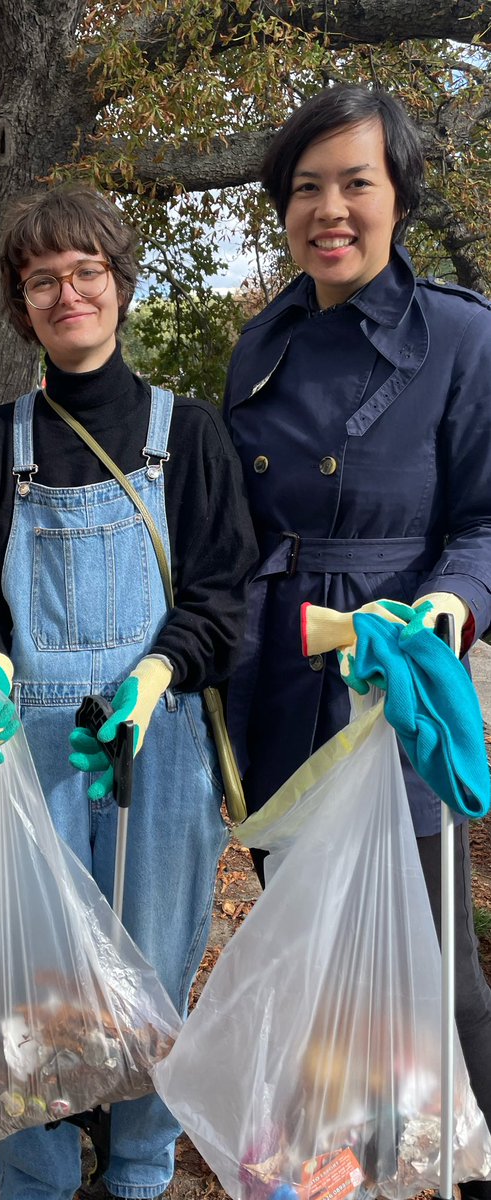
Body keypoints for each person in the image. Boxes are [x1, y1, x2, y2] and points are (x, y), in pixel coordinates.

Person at [0, 184, 257, 1200]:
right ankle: (33, 1175)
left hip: (155, 740)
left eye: (86, 272)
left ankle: (137, 1167)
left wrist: (158, 671)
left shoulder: (193, 436)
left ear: (119, 286)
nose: (67, 292)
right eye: (43, 279)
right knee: (25, 974)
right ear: (21, 302)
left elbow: (222, 595)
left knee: (154, 966)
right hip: (26, 746)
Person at [223, 84, 491, 1198]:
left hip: (394, 690)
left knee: (435, 962)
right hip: (278, 684)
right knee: (313, 949)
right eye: (304, 188)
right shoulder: (262, 344)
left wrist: (448, 603)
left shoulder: (463, 337)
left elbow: (486, 517)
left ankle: (465, 1164)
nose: (328, 209)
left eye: (355, 182)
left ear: (399, 195)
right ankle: (349, 1161)